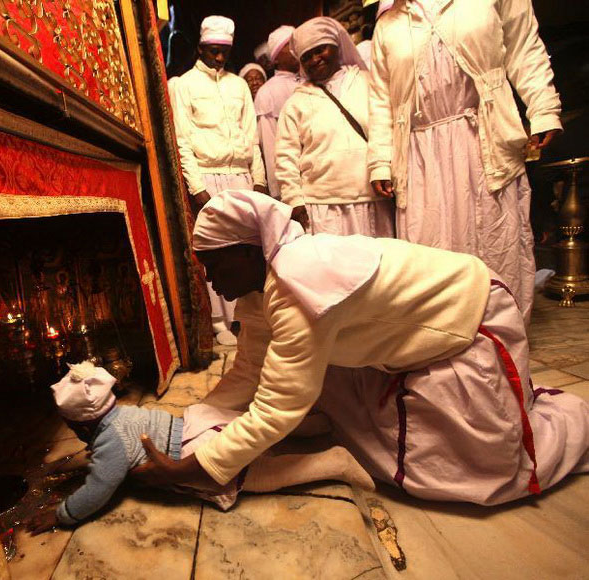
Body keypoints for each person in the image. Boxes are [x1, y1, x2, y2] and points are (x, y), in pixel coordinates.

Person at [132, 191, 589, 506]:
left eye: (213, 265)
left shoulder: (296, 284)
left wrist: (196, 467)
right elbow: (250, 368)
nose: (210, 280)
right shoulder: (262, 285)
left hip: (471, 321)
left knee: (469, 475)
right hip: (404, 343)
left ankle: (576, 423)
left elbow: (278, 407)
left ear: (249, 251)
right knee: (333, 402)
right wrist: (196, 419)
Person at [367, 0, 562, 322]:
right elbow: (380, 100)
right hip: (420, 156)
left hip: (484, 141)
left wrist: (542, 108)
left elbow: (523, 46)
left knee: (494, 241)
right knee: (431, 251)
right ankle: (443, 344)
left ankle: (503, 337)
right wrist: (380, 161)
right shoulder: (390, 22)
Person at [26, 361, 374, 534]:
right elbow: (111, 454)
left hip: (196, 452)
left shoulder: (110, 443)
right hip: (197, 425)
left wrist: (64, 514)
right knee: (249, 429)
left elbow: (100, 487)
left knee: (259, 474)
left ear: (83, 425)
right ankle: (307, 427)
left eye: (74, 429)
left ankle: (333, 463)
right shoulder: (123, 414)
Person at [172, 15, 267, 346]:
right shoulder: (184, 85)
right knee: (217, 250)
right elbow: (182, 140)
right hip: (208, 176)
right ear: (200, 48)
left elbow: (251, 137)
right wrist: (196, 187)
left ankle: (249, 315)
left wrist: (259, 179)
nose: (219, 58)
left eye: (224, 51)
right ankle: (219, 320)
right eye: (213, 51)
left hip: (241, 175)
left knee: (247, 249)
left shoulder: (238, 85)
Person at [275, 17, 393, 237]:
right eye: (307, 56)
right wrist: (294, 199)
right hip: (323, 208)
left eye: (321, 50)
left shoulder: (367, 83)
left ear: (336, 46)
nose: (315, 59)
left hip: (372, 201)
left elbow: (386, 128)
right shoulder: (295, 103)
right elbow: (285, 157)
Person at [254, 25, 301, 201]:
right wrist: (281, 194)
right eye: (289, 45)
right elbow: (270, 147)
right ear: (276, 56)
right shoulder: (268, 92)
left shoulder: (312, 81)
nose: (296, 49)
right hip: (291, 185)